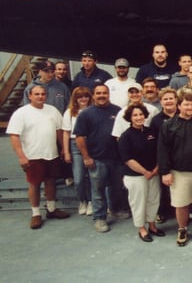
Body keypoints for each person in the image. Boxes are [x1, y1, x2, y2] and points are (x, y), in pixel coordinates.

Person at [7, 85, 70, 229]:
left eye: (43, 94)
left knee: (51, 181)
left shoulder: (52, 110)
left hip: (51, 154)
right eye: (37, 94)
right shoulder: (21, 113)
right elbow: (14, 136)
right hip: (32, 156)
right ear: (30, 96)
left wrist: (62, 148)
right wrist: (21, 156)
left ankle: (52, 209)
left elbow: (59, 131)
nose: (40, 96)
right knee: (34, 184)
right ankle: (35, 214)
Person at [73, 84, 128, 233]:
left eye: (104, 93)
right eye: (98, 93)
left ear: (108, 94)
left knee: (116, 187)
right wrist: (86, 157)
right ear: (93, 95)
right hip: (96, 159)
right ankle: (99, 218)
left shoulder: (118, 111)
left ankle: (115, 209)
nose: (102, 95)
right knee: (98, 190)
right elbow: (79, 137)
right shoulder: (86, 114)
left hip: (116, 159)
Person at [157, 92, 192, 246]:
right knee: (181, 203)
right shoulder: (168, 125)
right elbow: (162, 150)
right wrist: (165, 172)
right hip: (178, 172)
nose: (189, 107)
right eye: (186, 104)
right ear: (179, 106)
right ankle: (182, 229)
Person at [117, 104, 164, 242]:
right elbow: (127, 159)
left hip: (153, 174)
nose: (139, 117)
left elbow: (159, 151)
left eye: (141, 114)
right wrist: (145, 172)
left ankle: (152, 225)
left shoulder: (151, 132)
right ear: (130, 118)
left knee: (153, 200)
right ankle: (141, 229)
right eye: (135, 115)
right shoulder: (125, 136)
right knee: (139, 203)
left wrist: (156, 169)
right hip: (136, 176)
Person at [62, 86, 93, 216]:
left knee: (93, 176)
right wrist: (67, 151)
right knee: (79, 178)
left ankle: (92, 201)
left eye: (86, 96)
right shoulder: (69, 112)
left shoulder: (93, 110)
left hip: (91, 144)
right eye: (80, 97)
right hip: (75, 145)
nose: (83, 99)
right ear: (75, 98)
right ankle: (83, 201)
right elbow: (66, 133)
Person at [149, 87, 178, 223]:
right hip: (164, 159)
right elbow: (154, 143)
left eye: (171, 98)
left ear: (176, 100)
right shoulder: (156, 120)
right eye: (165, 99)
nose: (168, 101)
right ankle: (163, 212)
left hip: (182, 159)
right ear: (161, 102)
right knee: (164, 189)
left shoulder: (184, 115)